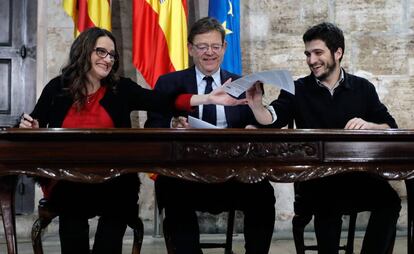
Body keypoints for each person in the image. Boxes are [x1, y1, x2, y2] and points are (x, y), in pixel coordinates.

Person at [19, 27, 246, 254]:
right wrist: (30, 126)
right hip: (69, 178)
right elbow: (33, 122)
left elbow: (163, 101)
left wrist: (207, 97)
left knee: (116, 206)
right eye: (101, 52)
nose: (107, 60)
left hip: (113, 178)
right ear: (84, 51)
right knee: (72, 209)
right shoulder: (58, 88)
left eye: (111, 55)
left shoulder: (121, 88)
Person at [246, 22, 401, 254]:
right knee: (327, 203)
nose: (311, 60)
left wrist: (370, 125)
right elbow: (274, 117)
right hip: (316, 177)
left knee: (390, 200)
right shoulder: (297, 88)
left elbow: (390, 126)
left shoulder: (363, 88)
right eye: (308, 54)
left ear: (338, 53)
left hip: (356, 175)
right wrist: (257, 106)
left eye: (318, 53)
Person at [145, 17, 276, 254]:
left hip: (233, 174)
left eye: (215, 46)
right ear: (190, 48)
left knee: (263, 193)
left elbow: (259, 124)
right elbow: (152, 125)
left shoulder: (242, 83)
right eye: (202, 46)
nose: (209, 53)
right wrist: (172, 124)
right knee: (171, 191)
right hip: (186, 174)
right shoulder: (169, 83)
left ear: (224, 48)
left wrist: (254, 129)